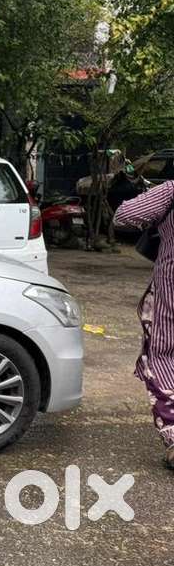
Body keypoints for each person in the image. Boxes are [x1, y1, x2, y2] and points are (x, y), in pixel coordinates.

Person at [113, 179, 174, 469]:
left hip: (171, 292)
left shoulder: (171, 190)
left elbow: (124, 215)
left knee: (162, 356)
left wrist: (157, 219)